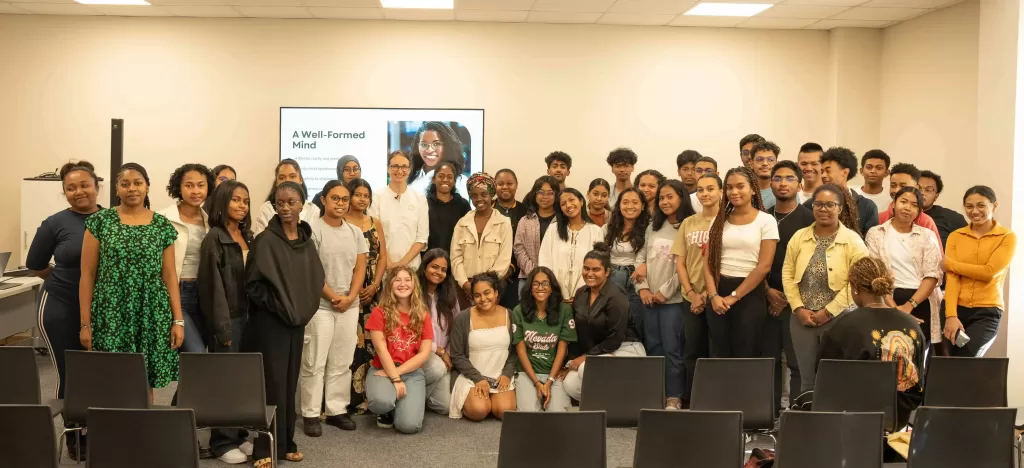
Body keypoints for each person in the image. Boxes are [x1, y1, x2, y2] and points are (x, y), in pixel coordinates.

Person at [79, 163, 184, 396]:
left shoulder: (161, 225)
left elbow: (168, 275)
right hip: (111, 309)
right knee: (112, 376)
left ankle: (144, 428)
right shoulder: (100, 222)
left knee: (145, 377)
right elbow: (87, 274)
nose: (132, 188)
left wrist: (177, 320)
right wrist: (85, 323)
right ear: (117, 189)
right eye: (125, 184)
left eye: (138, 183)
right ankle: (114, 429)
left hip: (151, 310)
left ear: (147, 187)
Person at [245, 181, 325, 466]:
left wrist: (300, 309)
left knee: (291, 383)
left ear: (302, 203)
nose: (285, 207)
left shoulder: (305, 239)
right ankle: (265, 449)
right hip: (271, 322)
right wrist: (280, 307)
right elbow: (254, 286)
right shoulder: (265, 240)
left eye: (291, 202)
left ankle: (287, 441)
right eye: (280, 203)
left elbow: (313, 278)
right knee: (273, 384)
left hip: (297, 321)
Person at [27, 161, 100, 461]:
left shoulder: (112, 219)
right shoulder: (55, 223)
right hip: (59, 307)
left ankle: (98, 428)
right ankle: (74, 436)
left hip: (101, 310)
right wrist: (63, 279)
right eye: (71, 188)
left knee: (99, 373)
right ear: (64, 192)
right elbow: (36, 264)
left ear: (97, 186)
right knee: (68, 373)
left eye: (84, 185)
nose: (78, 191)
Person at [818, 257, 924, 430]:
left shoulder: (844, 326)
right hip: (900, 419)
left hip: (852, 421)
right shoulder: (912, 325)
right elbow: (918, 381)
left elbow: (824, 377)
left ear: (856, 288)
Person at [782, 184, 868, 394]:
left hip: (840, 319)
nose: (823, 209)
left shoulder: (853, 241)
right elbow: (788, 274)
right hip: (802, 319)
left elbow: (857, 282)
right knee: (807, 379)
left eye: (830, 205)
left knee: (836, 378)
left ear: (840, 208)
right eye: (818, 204)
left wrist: (828, 311)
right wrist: (798, 308)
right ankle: (809, 421)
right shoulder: (799, 237)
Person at [299, 180, 368, 436]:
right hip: (320, 306)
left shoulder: (355, 232)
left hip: (349, 305)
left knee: (342, 361)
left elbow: (360, 268)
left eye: (344, 199)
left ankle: (336, 409)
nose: (340, 203)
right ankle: (310, 413)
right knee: (314, 361)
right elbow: (312, 270)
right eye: (335, 198)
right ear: (324, 200)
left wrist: (350, 297)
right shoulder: (312, 230)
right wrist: (332, 296)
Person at [198, 180, 253, 464]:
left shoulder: (247, 235)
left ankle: (240, 435)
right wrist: (222, 328)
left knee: (243, 381)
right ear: (221, 203)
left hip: (248, 318)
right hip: (228, 320)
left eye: (245, 200)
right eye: (235, 200)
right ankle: (221, 442)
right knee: (225, 383)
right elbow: (212, 289)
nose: (242, 205)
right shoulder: (215, 239)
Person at [702, 167, 778, 358]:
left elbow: (764, 266)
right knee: (719, 353)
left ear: (753, 189)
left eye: (740, 186)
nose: (734, 192)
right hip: (718, 292)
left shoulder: (766, 221)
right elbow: (708, 263)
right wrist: (713, 296)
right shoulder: (718, 221)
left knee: (746, 353)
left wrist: (734, 297)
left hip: (749, 294)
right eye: (729, 188)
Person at [561, 243, 646, 401]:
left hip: (625, 348)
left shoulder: (616, 296)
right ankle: (608, 403)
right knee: (570, 384)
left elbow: (615, 338)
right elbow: (578, 333)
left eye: (596, 269)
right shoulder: (581, 294)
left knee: (587, 369)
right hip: (599, 352)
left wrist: (586, 357)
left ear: (607, 272)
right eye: (586, 268)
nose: (590, 273)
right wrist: (571, 361)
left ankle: (621, 403)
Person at [764, 161, 815, 414]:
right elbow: (754, 260)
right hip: (765, 298)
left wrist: (788, 298)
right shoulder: (762, 217)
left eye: (789, 178)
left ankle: (798, 415)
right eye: (777, 178)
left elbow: (814, 262)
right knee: (769, 361)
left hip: (799, 302)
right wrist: (768, 292)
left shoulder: (810, 219)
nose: (783, 183)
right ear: (770, 183)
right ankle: (768, 414)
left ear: (800, 184)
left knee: (797, 363)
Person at [865, 187, 943, 351]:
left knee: (917, 353)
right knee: (887, 352)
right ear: (893, 204)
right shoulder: (876, 233)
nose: (908, 208)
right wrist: (893, 308)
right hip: (887, 300)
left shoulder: (927, 235)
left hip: (920, 300)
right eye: (903, 202)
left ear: (919, 211)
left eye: (914, 205)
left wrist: (909, 306)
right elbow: (876, 273)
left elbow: (932, 275)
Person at [943, 186, 1017, 357]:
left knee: (968, 357)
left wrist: (950, 264)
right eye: (969, 206)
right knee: (950, 360)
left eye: (981, 205)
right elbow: (952, 279)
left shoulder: (1007, 237)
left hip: (987, 311)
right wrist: (951, 316)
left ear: (994, 206)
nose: (975, 211)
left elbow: (989, 272)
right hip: (956, 309)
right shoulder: (956, 236)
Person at [638, 180, 690, 410]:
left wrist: (664, 293)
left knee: (673, 350)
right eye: (661, 198)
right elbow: (640, 258)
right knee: (653, 348)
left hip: (674, 301)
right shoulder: (653, 226)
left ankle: (674, 396)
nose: (665, 202)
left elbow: (687, 267)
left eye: (670, 196)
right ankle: (654, 394)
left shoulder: (689, 226)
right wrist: (644, 289)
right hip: (649, 299)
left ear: (681, 197)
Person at [364, 265, 434, 433]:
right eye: (397, 280)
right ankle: (388, 407)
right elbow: (381, 350)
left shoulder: (423, 314)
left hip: (411, 371)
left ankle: (405, 405)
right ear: (390, 285)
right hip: (383, 368)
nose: (403, 284)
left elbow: (424, 353)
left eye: (407, 280)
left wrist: (397, 375)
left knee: (409, 426)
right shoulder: (379, 312)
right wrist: (394, 378)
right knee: (382, 402)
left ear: (414, 284)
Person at [672, 173, 721, 403]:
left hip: (718, 297)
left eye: (711, 189)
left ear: (721, 192)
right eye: (700, 190)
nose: (705, 194)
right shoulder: (689, 223)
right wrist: (692, 294)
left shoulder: (727, 221)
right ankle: (693, 401)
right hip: (690, 298)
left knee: (716, 351)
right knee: (692, 351)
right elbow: (680, 262)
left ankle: (713, 401)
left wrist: (706, 294)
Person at [343, 178, 389, 414]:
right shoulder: (341, 222)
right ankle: (348, 399)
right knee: (351, 344)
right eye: (357, 194)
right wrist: (357, 289)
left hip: (374, 289)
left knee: (373, 342)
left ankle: (372, 397)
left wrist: (375, 285)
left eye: (366, 195)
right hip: (350, 289)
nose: (362, 199)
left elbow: (382, 257)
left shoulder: (375, 222)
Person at [158, 163, 214, 354]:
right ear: (178, 188)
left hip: (203, 295)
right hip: (177, 292)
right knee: (196, 354)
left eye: (201, 185)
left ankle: (187, 386)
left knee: (192, 361)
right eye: (189, 185)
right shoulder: (163, 218)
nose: (195, 191)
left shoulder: (211, 221)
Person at [449, 272, 518, 420]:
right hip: (472, 377)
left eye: (487, 293)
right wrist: (477, 378)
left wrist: (506, 374)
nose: (483, 299)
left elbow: (515, 351)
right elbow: (457, 355)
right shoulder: (463, 317)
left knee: (504, 411)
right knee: (479, 411)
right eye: (477, 295)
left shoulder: (510, 315)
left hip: (500, 376)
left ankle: (495, 400)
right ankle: (481, 400)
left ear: (496, 293)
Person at [512, 266, 575, 412]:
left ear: (552, 288)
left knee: (558, 415)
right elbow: (520, 350)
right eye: (536, 283)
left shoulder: (564, 310)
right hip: (528, 373)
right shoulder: (519, 311)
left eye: (545, 283)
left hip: (554, 372)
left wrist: (549, 381)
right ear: (530, 287)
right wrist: (536, 382)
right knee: (528, 416)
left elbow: (562, 350)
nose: (540, 287)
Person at [450, 173, 514, 305]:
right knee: (467, 323)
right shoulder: (462, 223)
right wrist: (465, 283)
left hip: (491, 288)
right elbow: (456, 258)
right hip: (465, 289)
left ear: (492, 195)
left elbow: (504, 259)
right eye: (474, 196)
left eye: (484, 194)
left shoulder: (503, 223)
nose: (479, 199)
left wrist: (486, 285)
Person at [603, 187, 650, 346]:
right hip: (613, 279)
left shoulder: (649, 228)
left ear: (643, 206)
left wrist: (644, 265)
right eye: (625, 202)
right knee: (613, 321)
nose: (630, 206)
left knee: (636, 322)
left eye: (635, 202)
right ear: (619, 205)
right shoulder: (608, 228)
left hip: (637, 279)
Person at [538, 188, 604, 301]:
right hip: (555, 294)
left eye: (572, 200)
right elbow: (545, 261)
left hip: (586, 293)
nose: (568, 205)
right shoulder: (553, 229)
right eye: (563, 204)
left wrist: (580, 292)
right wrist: (554, 289)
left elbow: (598, 264)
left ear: (581, 201)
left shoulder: (595, 231)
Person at [371, 151, 430, 270]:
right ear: (388, 168)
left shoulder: (419, 198)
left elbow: (422, 238)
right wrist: (388, 263)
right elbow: (374, 235)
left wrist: (402, 263)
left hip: (412, 268)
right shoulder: (376, 197)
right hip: (383, 267)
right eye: (395, 166)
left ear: (409, 169)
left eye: (404, 167)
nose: (399, 171)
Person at [802, 147, 879, 237]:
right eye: (822, 171)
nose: (823, 175)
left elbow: (870, 241)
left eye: (828, 171)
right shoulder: (810, 205)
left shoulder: (866, 206)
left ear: (845, 172)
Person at [418, 249, 458, 415]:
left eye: (443, 269)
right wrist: (439, 351)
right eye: (434, 267)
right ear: (425, 267)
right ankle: (408, 403)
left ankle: (416, 394)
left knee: (444, 406)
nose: (439, 272)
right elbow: (410, 332)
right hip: (420, 351)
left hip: (441, 356)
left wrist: (447, 352)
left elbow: (455, 330)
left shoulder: (449, 297)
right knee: (436, 369)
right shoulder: (413, 293)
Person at [878, 163, 942, 249]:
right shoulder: (880, 218)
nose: (897, 190)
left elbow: (936, 257)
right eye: (893, 185)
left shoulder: (926, 221)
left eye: (903, 186)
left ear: (916, 188)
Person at [514, 176, 560, 295]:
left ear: (556, 196)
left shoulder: (562, 221)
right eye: (540, 192)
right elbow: (519, 249)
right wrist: (534, 273)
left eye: (550, 193)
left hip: (556, 281)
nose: (545, 197)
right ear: (534, 194)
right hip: (527, 280)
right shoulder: (525, 220)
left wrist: (548, 276)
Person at [253, 159, 319, 235]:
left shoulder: (312, 210)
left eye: (292, 176)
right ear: (276, 183)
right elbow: (261, 241)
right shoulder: (267, 208)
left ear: (300, 180)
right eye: (282, 178)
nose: (287, 181)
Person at [493, 169, 528, 309]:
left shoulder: (525, 211)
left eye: (509, 183)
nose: (505, 187)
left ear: (516, 185)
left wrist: (511, 269)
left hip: (515, 275)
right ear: (494, 186)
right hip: (490, 273)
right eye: (500, 184)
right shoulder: (487, 209)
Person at [407, 121, 468, 197]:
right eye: (423, 144)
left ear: (446, 146)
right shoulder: (410, 177)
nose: (429, 150)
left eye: (436, 144)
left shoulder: (459, 181)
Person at [425, 162, 471, 252]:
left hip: (456, 259)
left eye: (450, 177)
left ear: (454, 182)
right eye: (441, 176)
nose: (445, 180)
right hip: (429, 260)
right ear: (433, 179)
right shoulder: (424, 204)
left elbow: (468, 235)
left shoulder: (463, 205)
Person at [919, 170, 967, 249]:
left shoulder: (952, 218)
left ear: (936, 196)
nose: (922, 193)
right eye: (918, 188)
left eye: (928, 190)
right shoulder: (901, 215)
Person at [853, 150, 892, 214]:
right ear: (861, 171)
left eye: (879, 168)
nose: (873, 171)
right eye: (869, 167)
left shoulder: (890, 199)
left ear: (886, 173)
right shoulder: (851, 194)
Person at [749, 141, 780, 210]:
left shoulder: (784, 191)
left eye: (770, 160)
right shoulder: (745, 191)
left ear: (777, 164)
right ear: (751, 163)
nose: (765, 163)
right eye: (760, 159)